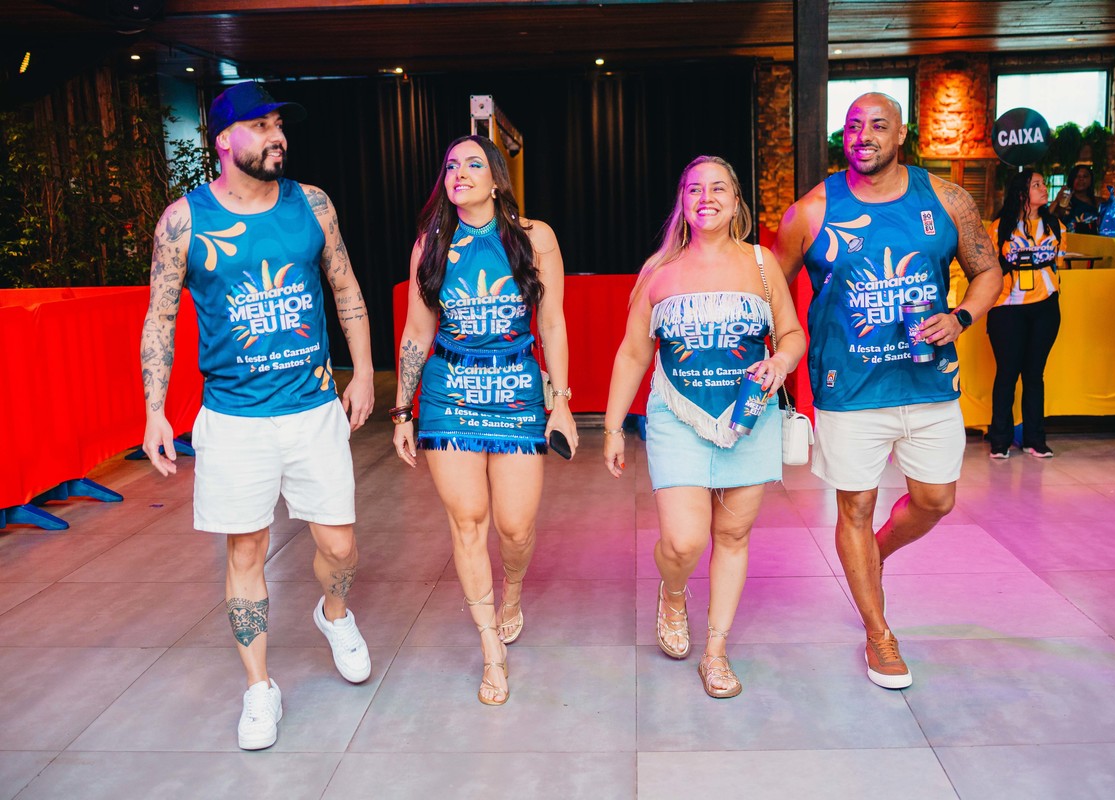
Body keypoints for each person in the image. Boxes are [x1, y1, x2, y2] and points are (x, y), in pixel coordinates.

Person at [140, 82, 374, 750]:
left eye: (279, 125)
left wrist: (362, 371)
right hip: (234, 418)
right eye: (262, 125)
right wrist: (154, 409)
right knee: (247, 551)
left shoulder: (312, 204)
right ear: (223, 140)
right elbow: (160, 315)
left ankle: (334, 614)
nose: (278, 137)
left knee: (340, 546)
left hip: (312, 408)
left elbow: (345, 285)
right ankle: (259, 687)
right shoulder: (183, 221)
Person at [773, 93, 1001, 689]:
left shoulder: (946, 199)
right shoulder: (811, 211)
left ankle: (871, 555)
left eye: (878, 125)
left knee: (936, 500)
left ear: (902, 134)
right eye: (853, 126)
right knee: (854, 507)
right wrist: (780, 352)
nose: (864, 135)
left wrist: (962, 316)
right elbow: (770, 288)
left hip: (929, 382)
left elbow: (989, 270)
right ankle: (879, 634)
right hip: (848, 389)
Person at [604, 155, 806, 699]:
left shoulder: (762, 264)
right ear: (683, 202)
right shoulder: (658, 271)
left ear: (736, 201)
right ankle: (673, 592)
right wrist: (613, 427)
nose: (707, 197)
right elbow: (632, 353)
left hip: (748, 416)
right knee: (684, 540)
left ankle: (715, 652)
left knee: (733, 536)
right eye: (695, 189)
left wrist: (781, 361)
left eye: (719, 188)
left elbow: (791, 333)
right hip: (677, 416)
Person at [393, 135, 577, 706]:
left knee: (515, 528)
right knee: (468, 521)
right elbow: (417, 332)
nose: (459, 173)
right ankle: (490, 649)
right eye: (451, 165)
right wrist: (402, 410)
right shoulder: (430, 244)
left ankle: (512, 591)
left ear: (497, 179)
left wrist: (562, 401)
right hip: (449, 395)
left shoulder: (535, 237)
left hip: (517, 392)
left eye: (474, 164)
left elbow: (552, 323)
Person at [986, 171, 1064, 459]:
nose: (1044, 189)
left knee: (1034, 374)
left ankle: (1035, 439)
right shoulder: (1000, 227)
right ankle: (1000, 440)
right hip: (1008, 308)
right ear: (1021, 193)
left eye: (1043, 184)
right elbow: (989, 267)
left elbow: (1058, 263)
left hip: (1045, 306)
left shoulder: (1055, 225)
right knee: (1007, 373)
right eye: (1037, 185)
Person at [1051, 163, 1100, 234]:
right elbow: (1051, 219)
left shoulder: (1098, 202)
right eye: (1077, 176)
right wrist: (1058, 201)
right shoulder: (1065, 201)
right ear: (1072, 179)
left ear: (1091, 180)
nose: (1081, 179)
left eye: (1085, 176)